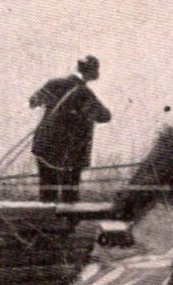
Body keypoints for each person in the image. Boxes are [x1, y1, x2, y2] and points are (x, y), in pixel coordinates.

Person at [28, 56, 112, 204]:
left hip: (44, 147)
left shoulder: (54, 84)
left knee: (47, 193)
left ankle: (45, 223)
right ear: (92, 74)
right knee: (70, 196)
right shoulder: (85, 94)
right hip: (70, 154)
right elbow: (105, 116)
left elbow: (33, 101)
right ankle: (67, 225)